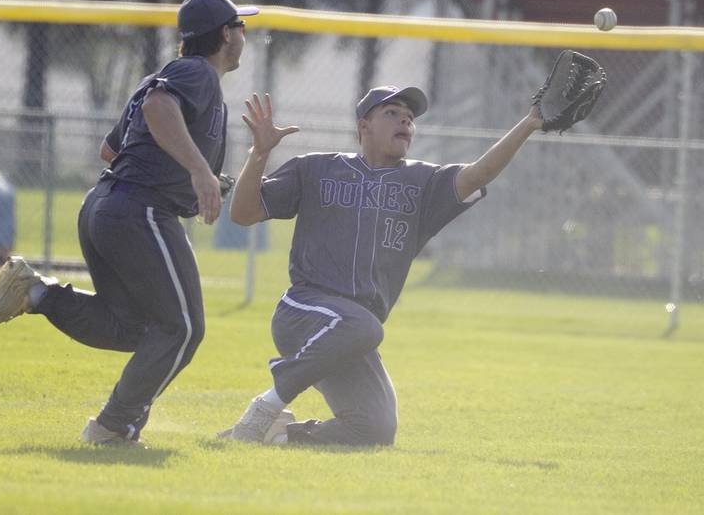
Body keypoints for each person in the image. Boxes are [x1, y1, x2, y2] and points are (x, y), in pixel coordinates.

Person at [0, 0, 259, 445]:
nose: (246, 33)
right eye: (241, 25)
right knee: (182, 329)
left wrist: (196, 172)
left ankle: (38, 294)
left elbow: (112, 149)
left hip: (105, 205)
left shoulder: (164, 75)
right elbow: (157, 109)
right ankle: (113, 426)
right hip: (139, 211)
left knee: (137, 327)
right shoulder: (197, 72)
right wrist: (199, 171)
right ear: (226, 34)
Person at [224, 85, 545, 446]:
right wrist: (259, 154)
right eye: (392, 112)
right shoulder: (316, 168)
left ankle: (277, 435)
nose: (405, 120)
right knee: (366, 327)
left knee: (374, 428)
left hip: (354, 331)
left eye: (410, 117)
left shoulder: (424, 182)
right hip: (305, 311)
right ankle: (264, 408)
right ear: (364, 125)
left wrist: (529, 124)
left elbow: (480, 173)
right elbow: (243, 213)